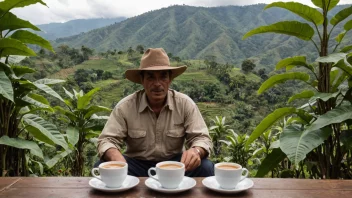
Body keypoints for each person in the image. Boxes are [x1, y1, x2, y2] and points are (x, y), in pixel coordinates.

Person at [97, 48, 214, 177]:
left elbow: (202, 138)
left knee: (206, 167)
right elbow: (107, 140)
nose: (157, 84)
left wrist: (196, 151)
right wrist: (117, 160)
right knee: (100, 166)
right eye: (150, 77)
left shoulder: (185, 104)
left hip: (175, 165)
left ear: (170, 79)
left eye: (163, 76)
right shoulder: (125, 107)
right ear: (142, 80)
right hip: (137, 165)